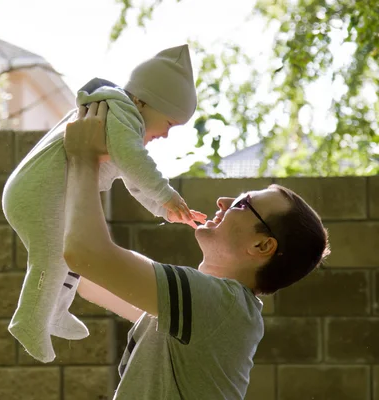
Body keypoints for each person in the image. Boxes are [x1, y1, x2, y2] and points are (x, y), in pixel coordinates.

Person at [62, 101, 330, 399]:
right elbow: (89, 277)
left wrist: (84, 159)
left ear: (262, 245)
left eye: (242, 204)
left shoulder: (220, 305)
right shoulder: (213, 310)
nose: (223, 201)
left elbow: (85, 255)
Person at [2, 44, 207, 363]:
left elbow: (133, 180)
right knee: (52, 258)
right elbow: (136, 163)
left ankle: (55, 312)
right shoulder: (120, 112)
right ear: (143, 101)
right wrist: (167, 194)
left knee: (68, 254)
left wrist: (163, 209)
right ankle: (29, 321)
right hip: (36, 193)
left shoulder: (119, 123)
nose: (165, 136)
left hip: (44, 194)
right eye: (168, 123)